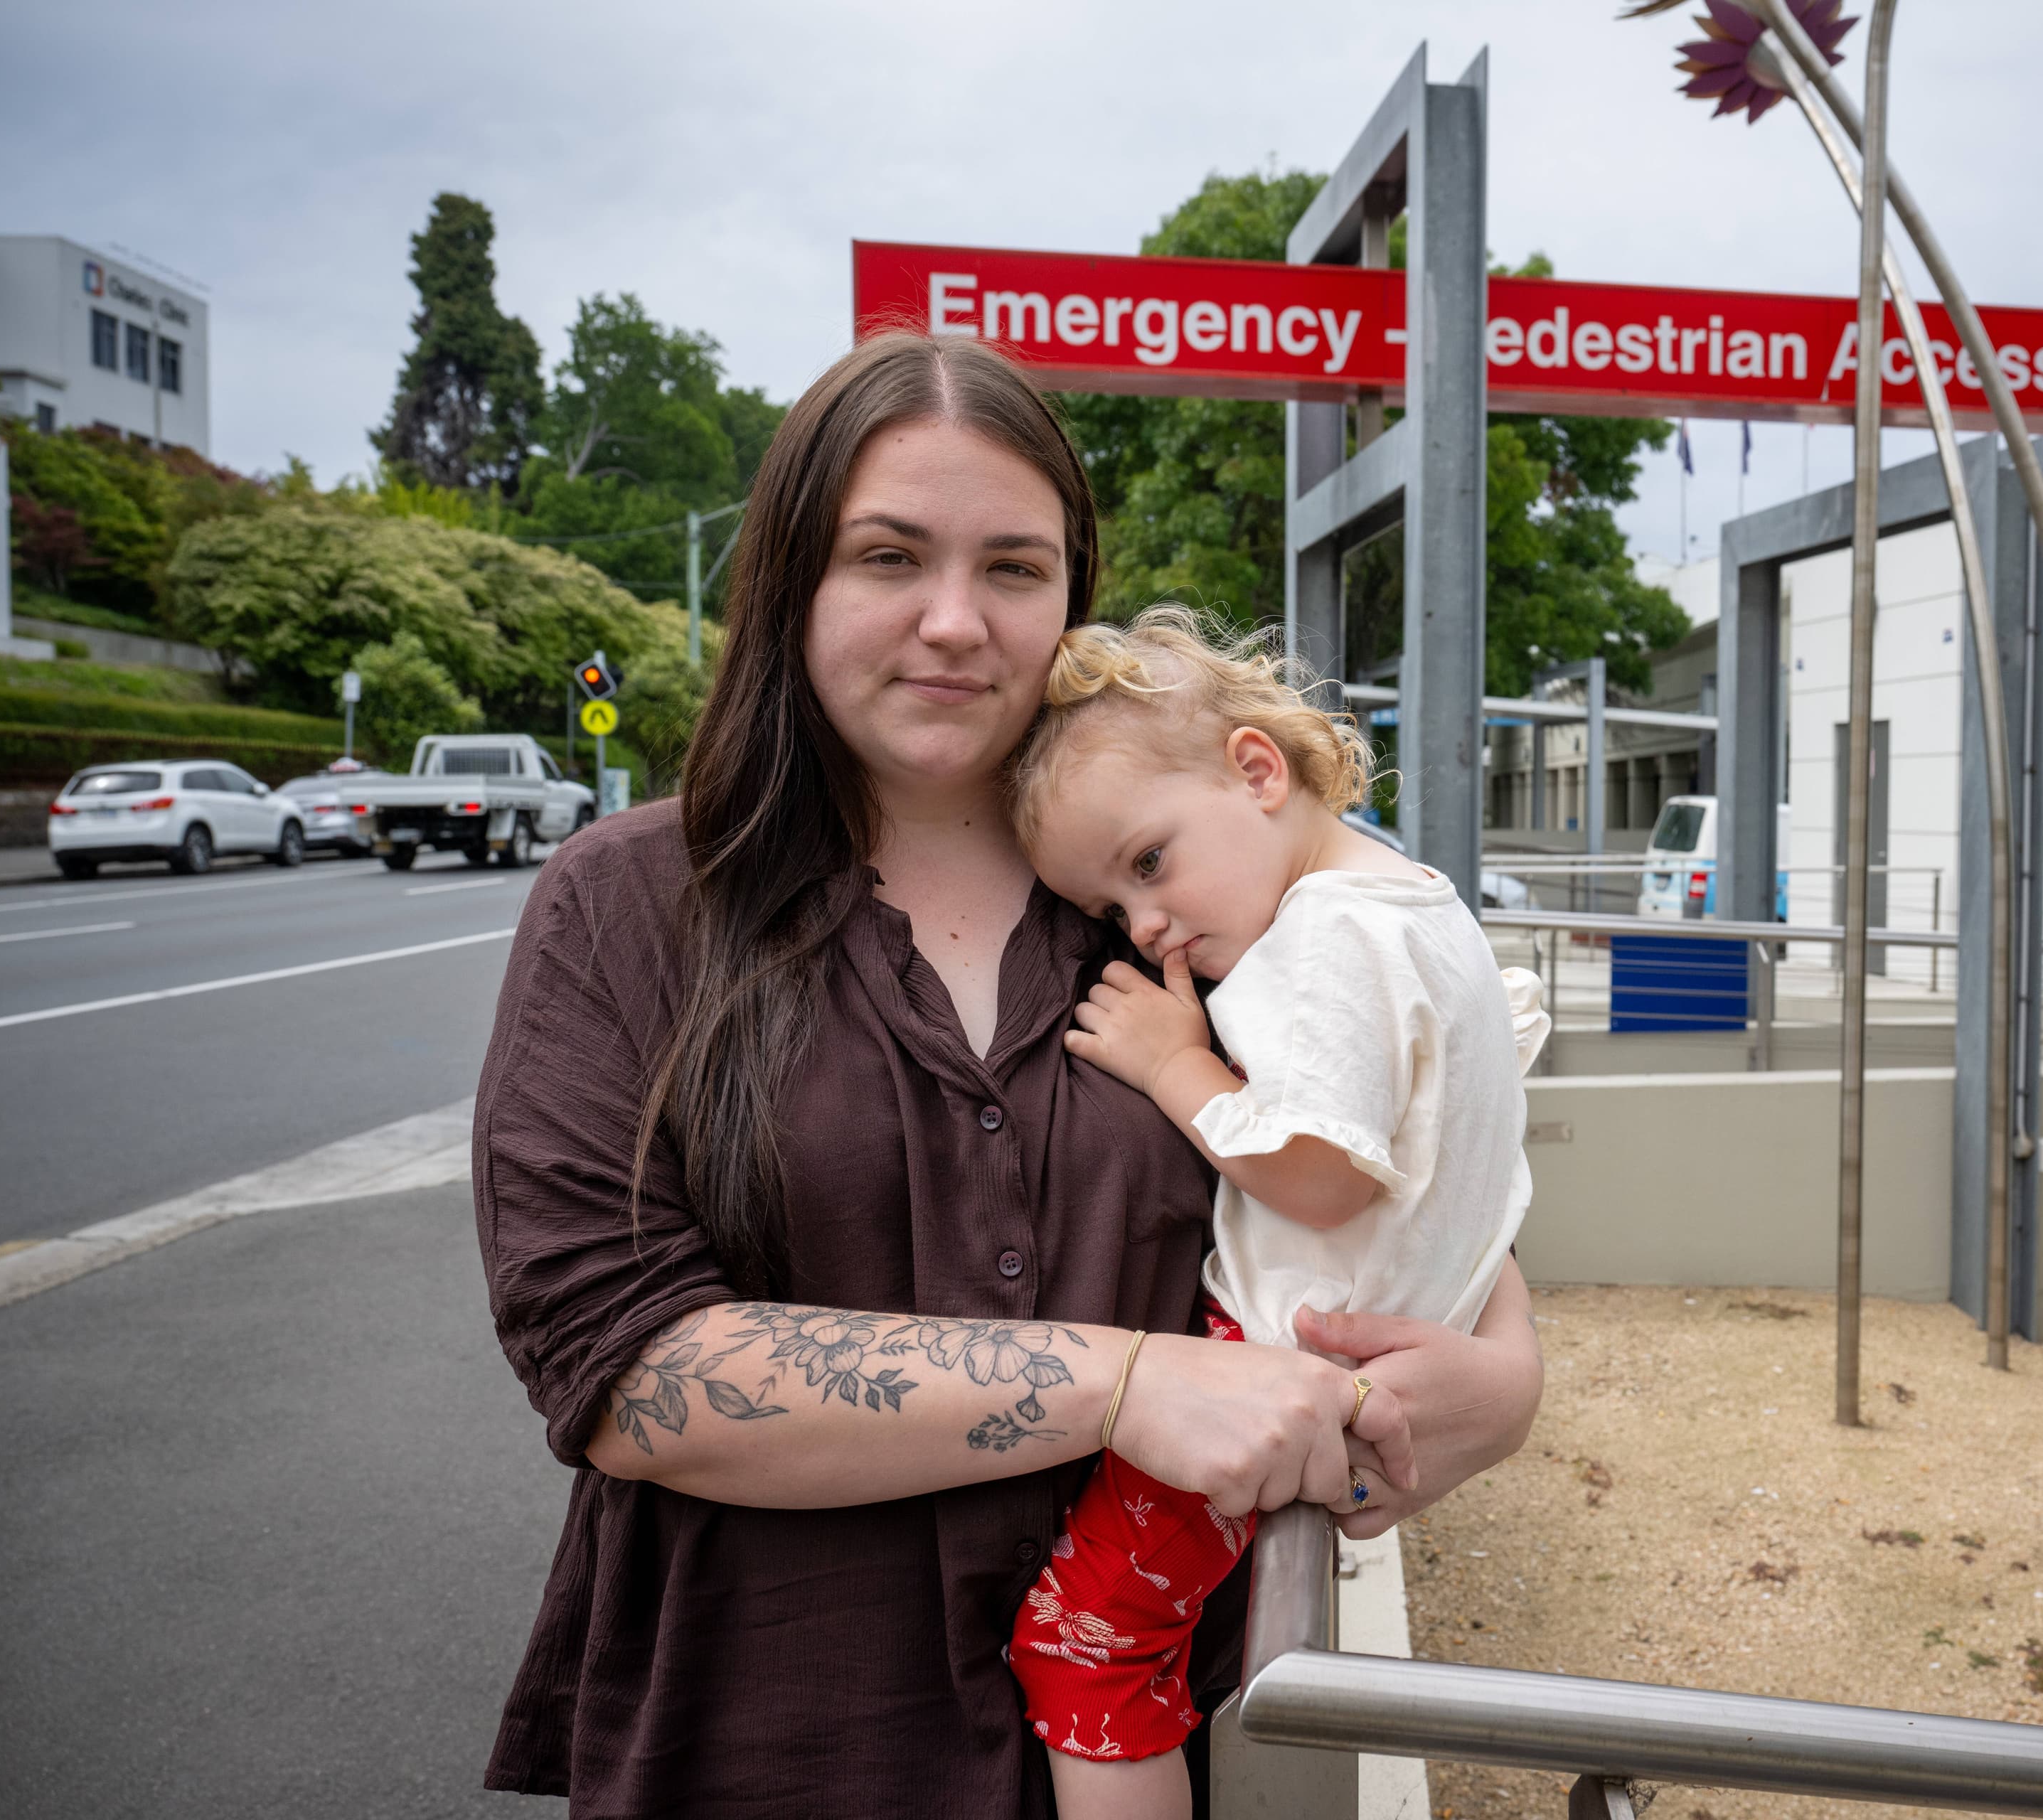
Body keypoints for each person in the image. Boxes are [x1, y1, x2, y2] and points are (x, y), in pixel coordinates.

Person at [470, 331, 1544, 1819]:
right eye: (889, 556)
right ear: (790, 582)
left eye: (1017, 569)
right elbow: (623, 1369)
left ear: (1072, 600)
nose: (956, 621)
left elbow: (1405, 1162)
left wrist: (1506, 1372)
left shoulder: (1191, 903)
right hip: (767, 1749)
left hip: (1176, 1733)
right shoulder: (627, 905)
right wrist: (1123, 1383)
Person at [1001, 608, 1552, 1818]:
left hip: (1270, 1366)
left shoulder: (1325, 937)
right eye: (1113, 907)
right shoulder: (1418, 903)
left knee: (1085, 1642)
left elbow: (1320, 1171)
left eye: (1146, 865)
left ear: (1258, 770)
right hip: (1362, 1358)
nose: (1144, 929)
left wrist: (1170, 1066)